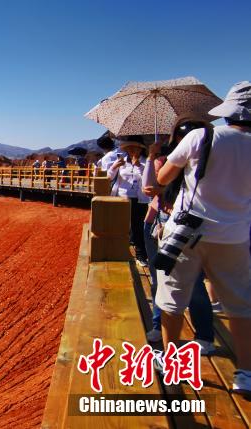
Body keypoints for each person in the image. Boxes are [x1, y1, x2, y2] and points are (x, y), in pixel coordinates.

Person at [154, 81, 251, 394]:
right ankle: (245, 373)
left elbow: (163, 177)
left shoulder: (202, 135)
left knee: (172, 298)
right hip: (235, 236)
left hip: (187, 233)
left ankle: (172, 361)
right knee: (240, 306)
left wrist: (162, 155)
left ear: (228, 111)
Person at [141, 116, 215, 353]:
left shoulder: (172, 162)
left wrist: (153, 158)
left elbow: (151, 187)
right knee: (190, 283)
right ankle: (202, 336)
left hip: (174, 225)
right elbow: (151, 188)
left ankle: (164, 333)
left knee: (166, 281)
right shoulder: (209, 162)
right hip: (191, 225)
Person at [108, 135, 150, 265]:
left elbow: (148, 180)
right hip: (122, 197)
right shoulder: (121, 161)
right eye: (129, 147)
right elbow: (109, 177)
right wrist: (114, 167)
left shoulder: (146, 162)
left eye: (135, 147)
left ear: (140, 149)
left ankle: (140, 255)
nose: (132, 150)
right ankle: (118, 251)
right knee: (121, 226)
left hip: (140, 199)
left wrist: (139, 167)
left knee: (138, 228)